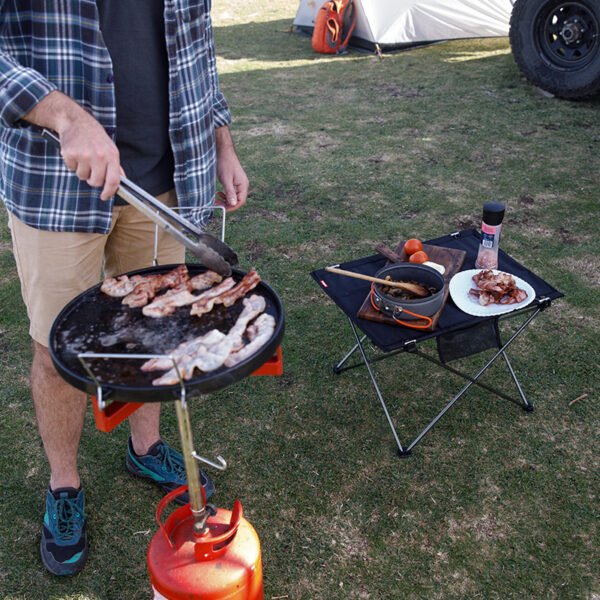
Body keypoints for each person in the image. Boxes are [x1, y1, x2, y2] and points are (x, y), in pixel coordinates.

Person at [0, 1, 248, 576]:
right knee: (57, 348)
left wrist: (222, 144)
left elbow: (197, 51)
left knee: (152, 330)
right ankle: (64, 486)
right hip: (55, 184)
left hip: (162, 181)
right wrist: (63, 115)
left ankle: (144, 448)